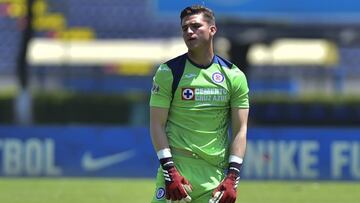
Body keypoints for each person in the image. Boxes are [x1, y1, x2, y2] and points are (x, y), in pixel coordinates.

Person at [149, 5, 249, 203]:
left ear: (212, 29)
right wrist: (170, 171)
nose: (189, 31)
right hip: (177, 172)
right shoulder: (168, 72)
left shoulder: (234, 76)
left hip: (215, 177)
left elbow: (240, 130)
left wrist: (232, 178)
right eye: (184, 28)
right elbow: (156, 124)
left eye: (195, 26)